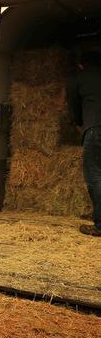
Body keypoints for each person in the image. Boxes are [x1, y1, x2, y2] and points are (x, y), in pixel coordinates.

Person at [67, 50, 101, 237]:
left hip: (95, 129)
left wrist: (78, 123)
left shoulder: (78, 78)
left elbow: (74, 108)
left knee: (94, 176)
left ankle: (100, 225)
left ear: (81, 64)